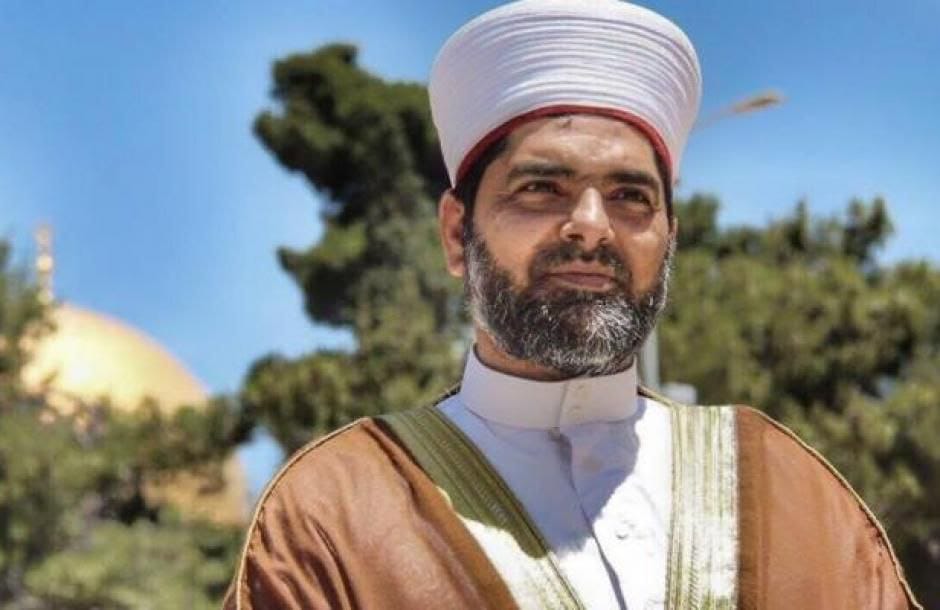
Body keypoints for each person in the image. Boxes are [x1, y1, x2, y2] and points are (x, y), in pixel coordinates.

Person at [224, 1, 920, 608]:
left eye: (630, 197)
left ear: (668, 239)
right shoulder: (335, 514)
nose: (591, 225)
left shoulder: (787, 486)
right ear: (456, 235)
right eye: (541, 189)